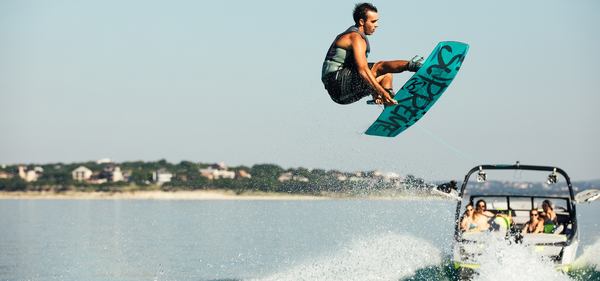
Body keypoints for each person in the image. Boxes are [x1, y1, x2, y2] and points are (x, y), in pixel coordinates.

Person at [321, 3, 423, 106]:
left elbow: (361, 72)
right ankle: (414, 65)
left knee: (386, 75)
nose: (376, 25)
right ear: (362, 22)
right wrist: (380, 91)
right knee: (380, 66)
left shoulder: (357, 37)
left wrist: (377, 91)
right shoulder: (355, 37)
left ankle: (389, 103)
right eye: (373, 21)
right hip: (336, 83)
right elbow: (363, 70)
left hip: (341, 94)